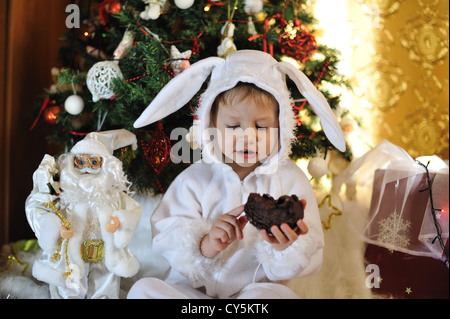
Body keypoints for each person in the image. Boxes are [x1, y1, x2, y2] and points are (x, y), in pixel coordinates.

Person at [128, 50, 346, 299]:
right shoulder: (195, 179)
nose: (248, 136)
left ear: (282, 126)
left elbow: (311, 247)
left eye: (262, 126)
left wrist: (287, 248)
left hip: (254, 294)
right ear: (211, 124)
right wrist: (207, 244)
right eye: (233, 126)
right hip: (192, 294)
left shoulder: (290, 180)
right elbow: (169, 231)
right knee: (143, 291)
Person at [26, 129, 142, 299]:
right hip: (73, 251)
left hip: (104, 252)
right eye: (80, 161)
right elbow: (41, 209)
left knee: (105, 284)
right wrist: (57, 229)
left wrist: (120, 222)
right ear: (72, 163)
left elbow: (133, 210)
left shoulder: (113, 196)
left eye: (94, 162)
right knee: (70, 284)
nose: (86, 167)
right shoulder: (67, 194)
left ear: (105, 165)